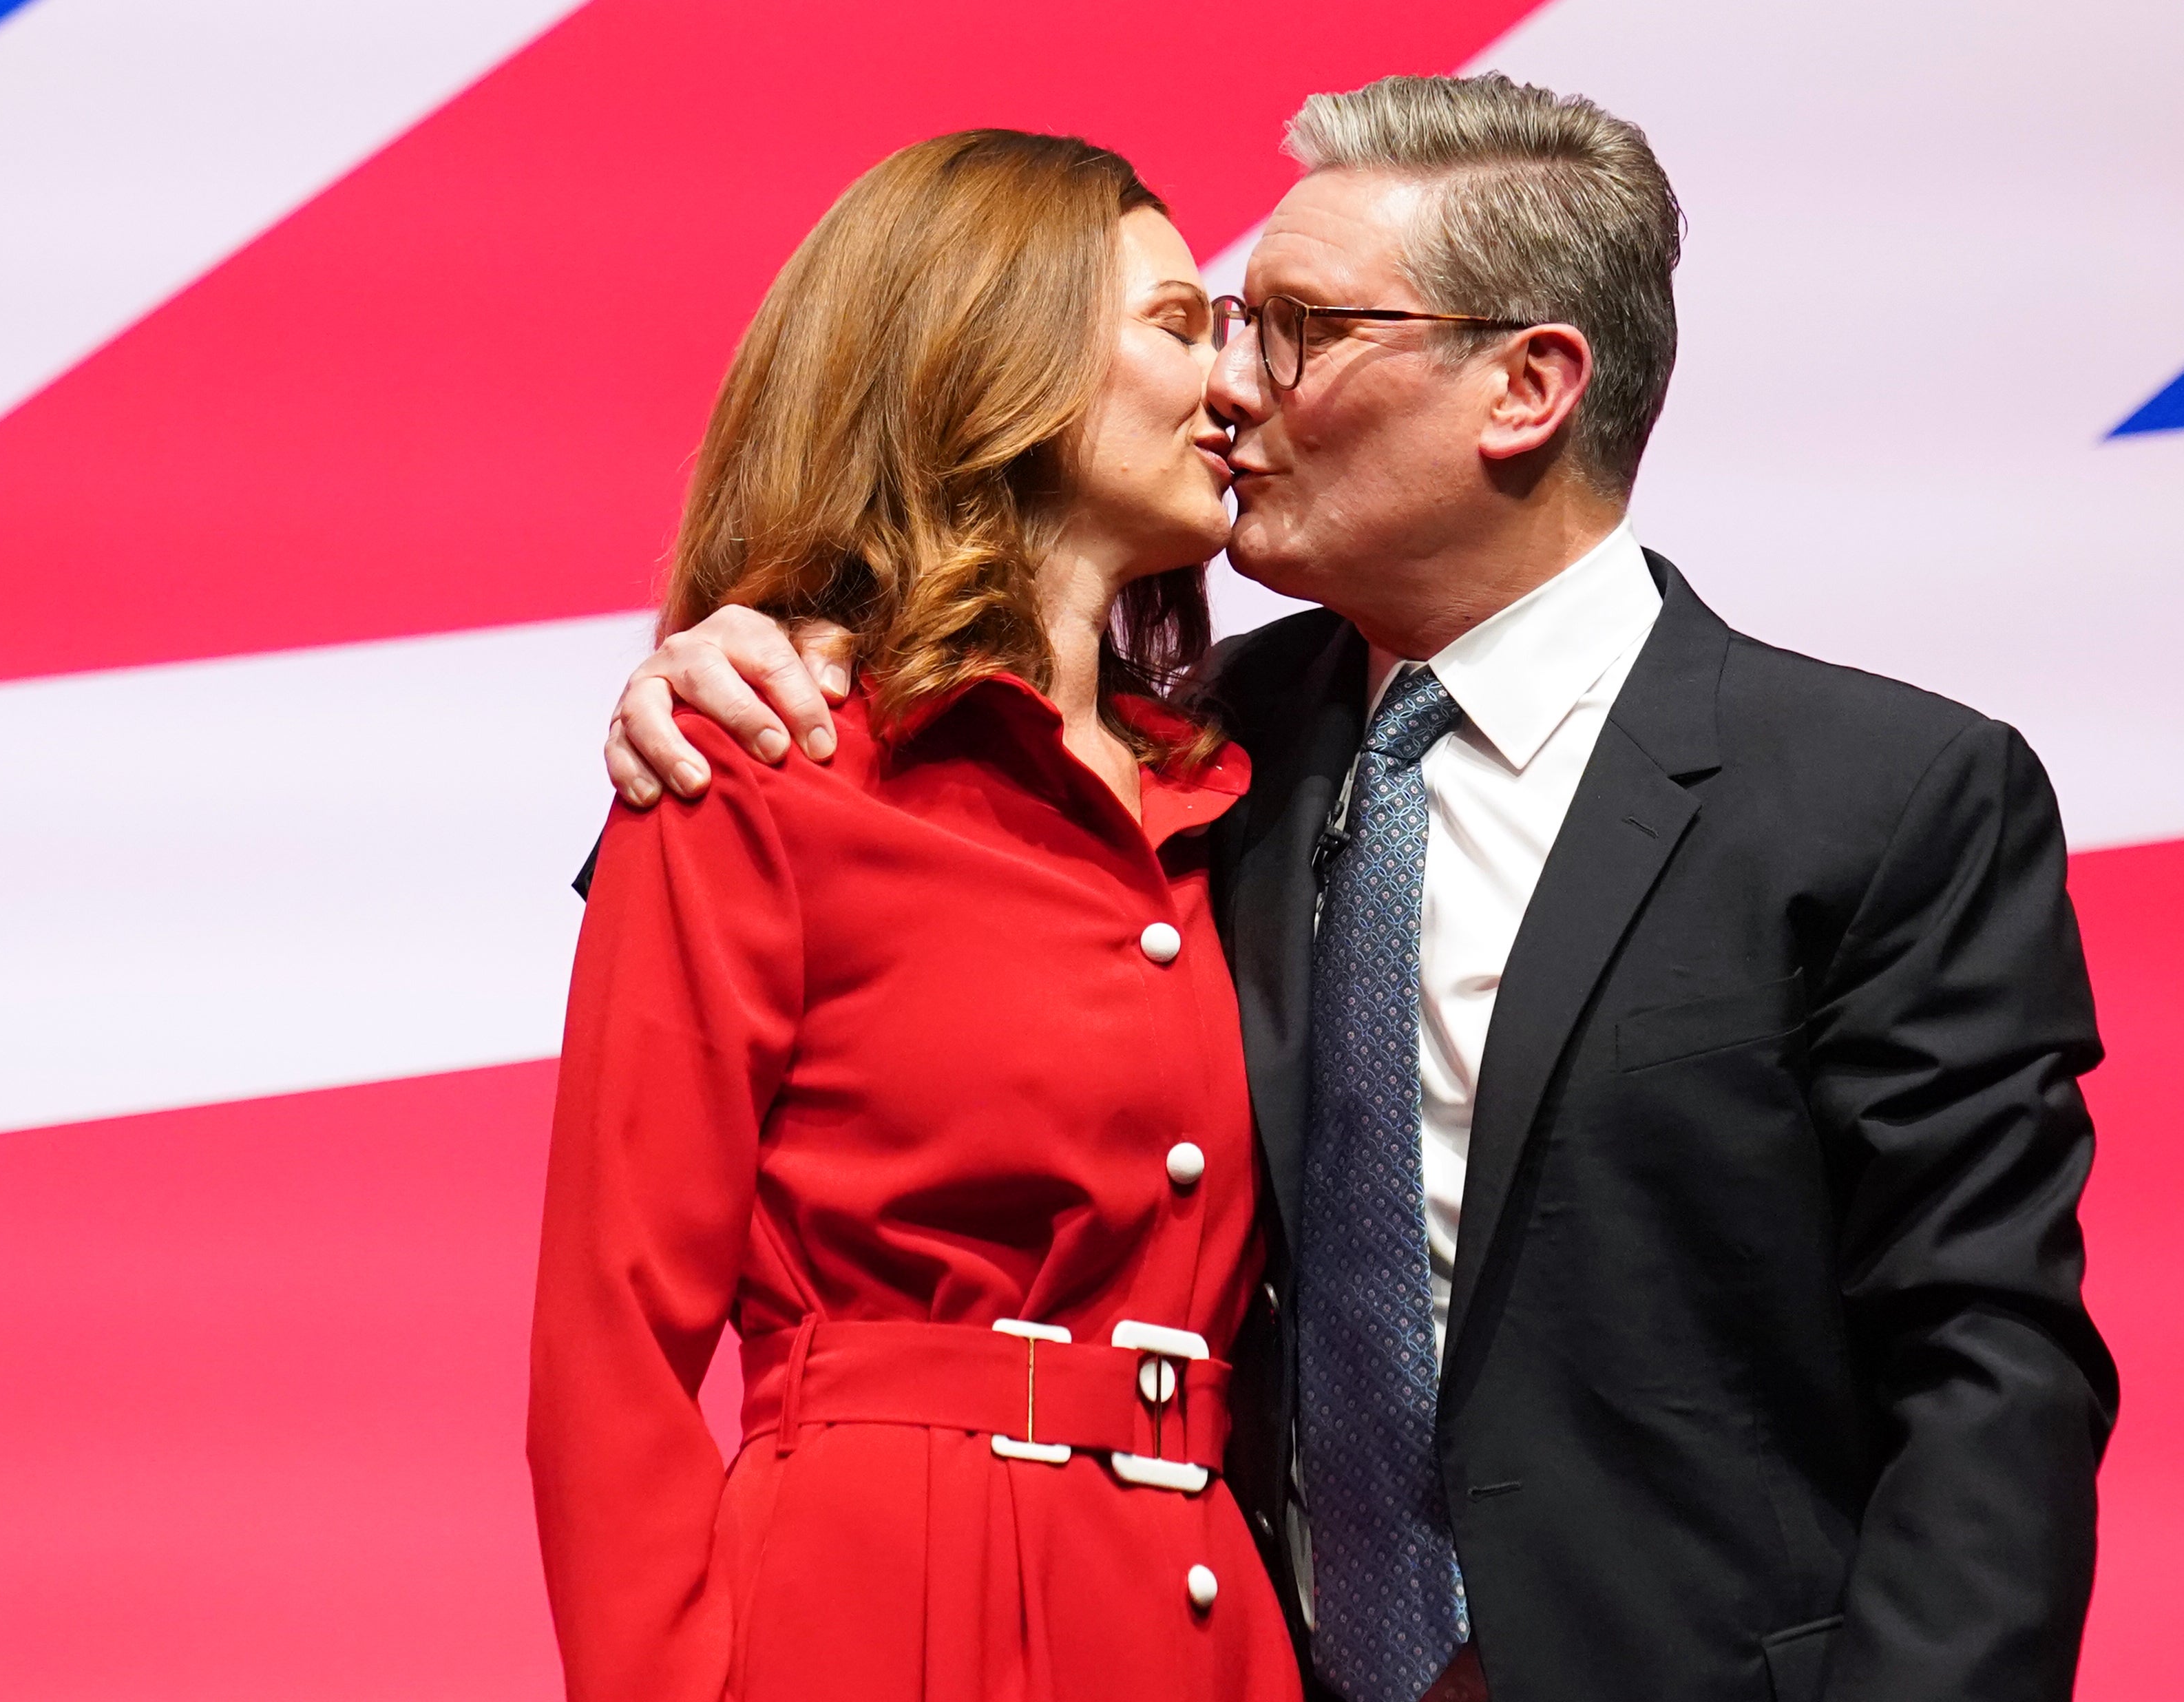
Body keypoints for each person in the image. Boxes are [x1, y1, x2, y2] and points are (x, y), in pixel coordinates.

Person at [597, 76, 2117, 1702]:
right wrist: (726, 675)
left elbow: (1985, 1376)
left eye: (1298, 332)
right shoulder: (1171, 764)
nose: (1228, 392)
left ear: (1524, 386)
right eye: (1223, 326)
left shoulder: (1875, 796)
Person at [528, 129, 1305, 1702]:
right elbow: (606, 1357)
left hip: (1205, 1624)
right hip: (879, 1612)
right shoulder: (764, 767)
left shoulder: (1244, 785)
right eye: (1176, 325)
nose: (1235, 387)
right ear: (986, 359)